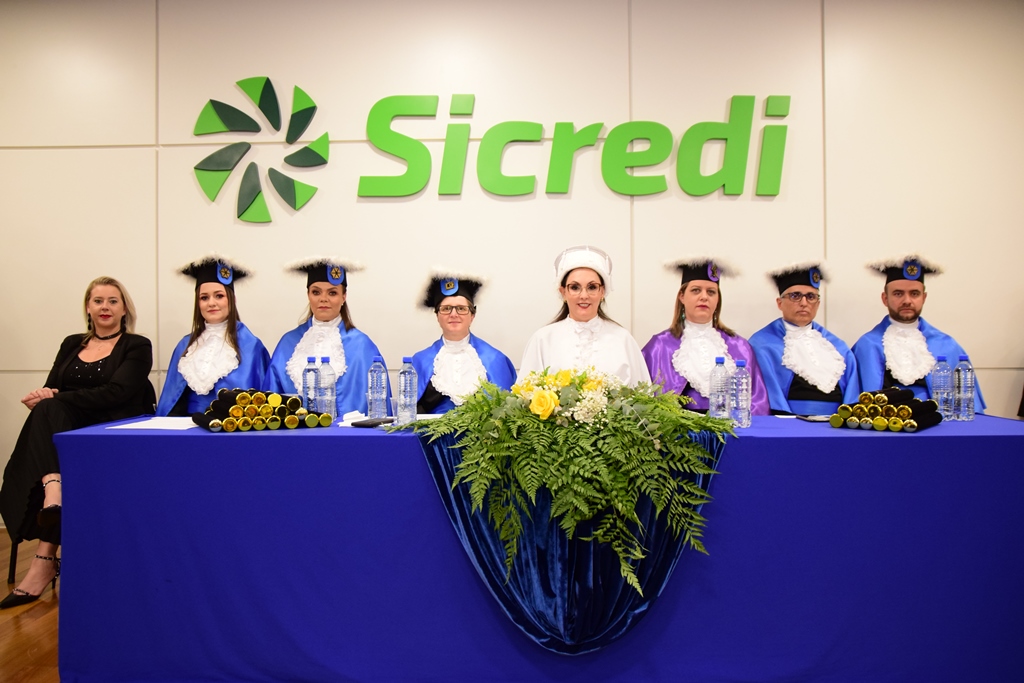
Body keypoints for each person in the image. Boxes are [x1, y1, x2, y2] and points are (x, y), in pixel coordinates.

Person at [0, 276, 155, 609]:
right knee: (48, 414)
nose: (105, 307)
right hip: (68, 432)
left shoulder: (137, 345)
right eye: (98, 300)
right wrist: (44, 395)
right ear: (88, 307)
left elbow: (118, 393)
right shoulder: (72, 343)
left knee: (54, 420)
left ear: (124, 309)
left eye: (113, 301)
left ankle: (44, 552)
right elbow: (52, 386)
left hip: (112, 433)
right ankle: (53, 493)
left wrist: (55, 398)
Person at [852, 255, 986, 409]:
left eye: (914, 293)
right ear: (885, 299)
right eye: (898, 293)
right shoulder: (866, 346)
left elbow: (968, 409)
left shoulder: (947, 345)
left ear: (924, 298)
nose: (907, 301)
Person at [641, 258, 769, 414]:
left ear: (717, 299)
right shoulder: (660, 346)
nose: (704, 297)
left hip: (731, 426)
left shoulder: (739, 346)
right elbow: (647, 403)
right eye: (696, 290)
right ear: (682, 296)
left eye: (711, 292)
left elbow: (757, 402)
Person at [266, 258, 390, 416]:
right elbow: (270, 404)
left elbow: (379, 409)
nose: (323, 299)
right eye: (316, 292)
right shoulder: (288, 343)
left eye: (332, 293)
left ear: (344, 296)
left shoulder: (362, 346)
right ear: (308, 295)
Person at [518, 245, 649, 386]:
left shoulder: (623, 339)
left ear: (602, 292)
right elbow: (524, 393)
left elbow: (643, 394)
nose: (584, 295)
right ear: (563, 292)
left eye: (592, 287)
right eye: (575, 287)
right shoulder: (543, 339)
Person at [156, 257, 269, 416]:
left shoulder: (251, 346)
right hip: (187, 426)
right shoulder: (185, 345)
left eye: (219, 296)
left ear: (232, 300)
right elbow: (172, 399)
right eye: (204, 297)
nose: (211, 303)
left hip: (230, 426)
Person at [749, 263, 861, 415]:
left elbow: (852, 394)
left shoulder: (837, 346)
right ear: (780, 303)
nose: (804, 303)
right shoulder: (762, 344)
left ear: (818, 304)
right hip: (788, 424)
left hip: (836, 424)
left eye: (811, 297)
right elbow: (768, 398)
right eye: (795, 296)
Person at [412, 272, 516, 413]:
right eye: (446, 309)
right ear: (437, 315)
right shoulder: (419, 361)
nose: (453, 314)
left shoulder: (495, 359)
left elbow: (509, 414)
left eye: (461, 308)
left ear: (472, 315)